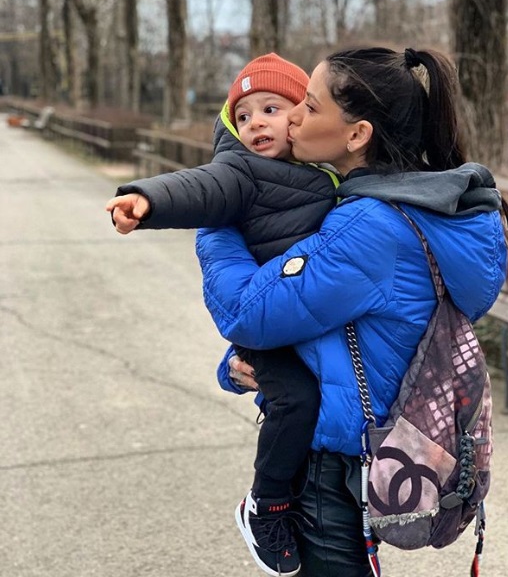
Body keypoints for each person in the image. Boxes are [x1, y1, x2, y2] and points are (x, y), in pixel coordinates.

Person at [196, 46, 508, 577]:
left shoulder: (368, 227)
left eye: (310, 106)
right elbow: (337, 324)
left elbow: (246, 313)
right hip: (379, 443)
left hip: (336, 460)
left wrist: (217, 222)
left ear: (356, 135)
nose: (293, 117)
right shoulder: (427, 205)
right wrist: (239, 368)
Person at [106, 54, 340, 577]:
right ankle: (266, 505)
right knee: (297, 399)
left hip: (312, 315)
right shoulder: (242, 172)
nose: (256, 123)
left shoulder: (328, 170)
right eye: (245, 115)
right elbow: (199, 188)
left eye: (272, 109)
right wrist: (146, 200)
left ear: (304, 112)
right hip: (269, 327)